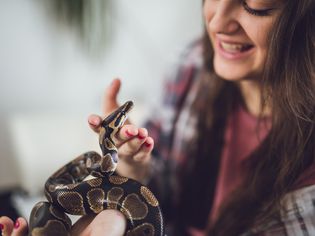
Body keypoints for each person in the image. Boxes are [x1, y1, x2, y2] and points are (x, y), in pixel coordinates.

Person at [1, 0, 315, 235]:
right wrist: (133, 166)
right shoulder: (189, 66)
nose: (217, 22)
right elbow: (157, 192)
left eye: (255, 5)